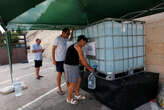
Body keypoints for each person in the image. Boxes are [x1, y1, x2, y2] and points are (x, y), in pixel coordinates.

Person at [64, 35, 93, 104]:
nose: (85, 44)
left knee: (79, 79)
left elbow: (80, 60)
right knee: (73, 83)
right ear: (81, 41)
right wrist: (90, 69)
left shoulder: (78, 46)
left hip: (75, 65)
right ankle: (69, 98)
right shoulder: (77, 47)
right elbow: (83, 60)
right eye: (85, 42)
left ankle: (77, 95)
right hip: (70, 66)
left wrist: (85, 65)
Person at [52, 27, 74, 95]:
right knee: (59, 74)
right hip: (59, 60)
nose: (68, 35)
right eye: (67, 33)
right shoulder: (57, 39)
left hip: (65, 59)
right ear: (62, 32)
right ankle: (59, 89)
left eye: (69, 33)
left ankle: (68, 87)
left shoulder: (66, 38)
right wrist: (53, 60)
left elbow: (70, 39)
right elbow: (53, 49)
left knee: (66, 74)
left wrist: (72, 32)